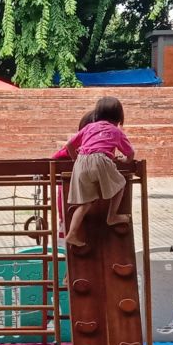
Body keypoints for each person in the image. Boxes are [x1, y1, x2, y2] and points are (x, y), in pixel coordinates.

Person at [50, 96, 134, 253]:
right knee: (120, 184)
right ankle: (112, 216)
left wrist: (77, 161)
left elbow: (69, 145)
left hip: (81, 161)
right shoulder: (115, 131)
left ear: (97, 114)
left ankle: (72, 234)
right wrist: (126, 160)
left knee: (85, 203)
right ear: (119, 117)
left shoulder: (88, 128)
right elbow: (130, 153)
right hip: (100, 160)